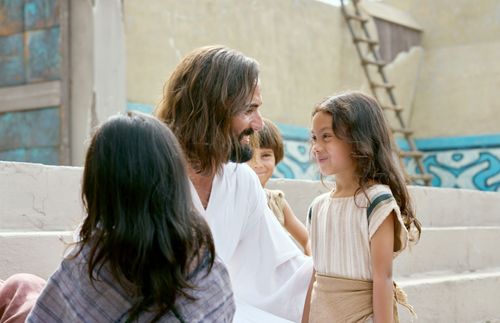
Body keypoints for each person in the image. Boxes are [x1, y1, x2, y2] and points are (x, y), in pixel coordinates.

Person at [27, 112, 235, 322]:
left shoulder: (84, 266)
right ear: (176, 182)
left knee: (21, 286)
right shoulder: (208, 268)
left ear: (99, 187)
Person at [155, 45, 312, 322]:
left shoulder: (241, 181)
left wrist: (342, 283)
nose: (260, 124)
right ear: (212, 110)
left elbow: (282, 268)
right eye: (249, 110)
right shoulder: (151, 174)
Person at [302, 92, 418, 323]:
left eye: (327, 136)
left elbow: (382, 277)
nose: (316, 146)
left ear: (358, 139)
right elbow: (314, 275)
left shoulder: (377, 202)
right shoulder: (318, 207)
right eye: (314, 138)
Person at [247, 118, 311, 256]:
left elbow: (307, 239)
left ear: (276, 157)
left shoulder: (276, 201)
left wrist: (312, 270)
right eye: (249, 156)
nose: (257, 164)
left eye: (265, 155)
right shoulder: (231, 200)